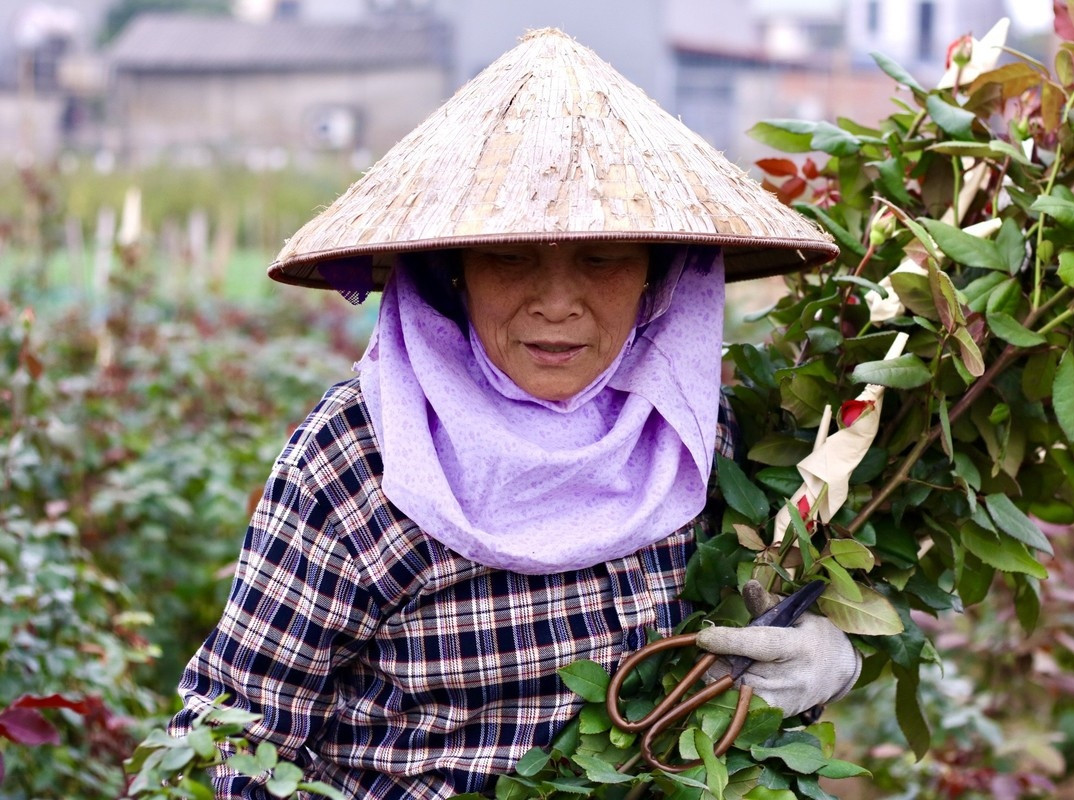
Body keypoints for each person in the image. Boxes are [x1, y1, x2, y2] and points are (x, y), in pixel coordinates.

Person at [171, 28, 861, 799]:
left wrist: (825, 657)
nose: (557, 303)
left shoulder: (693, 432)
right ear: (453, 272)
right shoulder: (361, 458)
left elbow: (755, 619)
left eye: (602, 260)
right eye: (510, 257)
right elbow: (228, 734)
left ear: (656, 280)